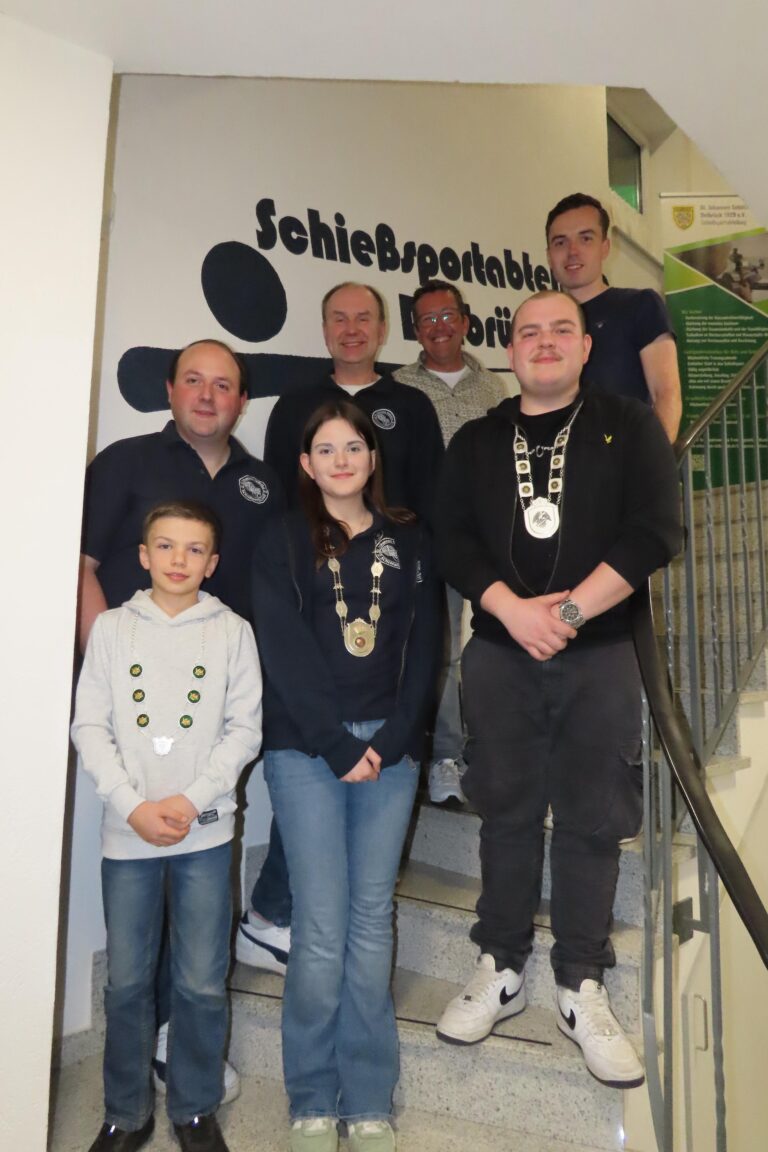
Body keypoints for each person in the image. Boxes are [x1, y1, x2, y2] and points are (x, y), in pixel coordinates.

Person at [433, 291, 681, 1088]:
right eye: (528, 332)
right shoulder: (476, 440)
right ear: (510, 350)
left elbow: (655, 532)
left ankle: (580, 982)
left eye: (560, 331)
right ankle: (500, 966)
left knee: (593, 818)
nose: (544, 343)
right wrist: (512, 610)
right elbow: (450, 540)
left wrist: (568, 613)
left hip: (601, 652)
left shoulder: (629, 426)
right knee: (504, 810)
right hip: (499, 654)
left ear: (584, 348)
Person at [78, 338, 283, 1101]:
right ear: (170, 389)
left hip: (210, 763)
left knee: (200, 963)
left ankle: (188, 1077)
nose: (206, 394)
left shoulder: (264, 484)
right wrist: (109, 654)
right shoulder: (124, 463)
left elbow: (275, 592)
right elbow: (81, 568)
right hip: (132, 754)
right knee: (130, 967)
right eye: (192, 380)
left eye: (223, 384)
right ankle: (129, 1101)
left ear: (241, 400)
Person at [236, 282, 444, 971]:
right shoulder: (294, 407)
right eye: (338, 318)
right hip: (316, 661)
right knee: (325, 890)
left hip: (390, 614)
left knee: (366, 907)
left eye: (364, 317)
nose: (351, 328)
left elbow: (430, 499)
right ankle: (273, 914)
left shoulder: (411, 406)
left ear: (382, 329)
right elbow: (278, 501)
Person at [252, 400, 439, 1152]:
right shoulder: (280, 537)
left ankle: (367, 1098)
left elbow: (427, 644)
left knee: (370, 919)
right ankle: (310, 1098)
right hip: (306, 750)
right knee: (322, 927)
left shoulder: (410, 537)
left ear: (371, 457)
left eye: (353, 446)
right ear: (305, 464)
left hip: (389, 749)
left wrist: (394, 739)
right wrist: (336, 744)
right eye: (325, 449)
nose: (340, 460)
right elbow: (281, 647)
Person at [72, 501, 263, 1152]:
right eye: (165, 545)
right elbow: (89, 726)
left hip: (203, 832)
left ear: (212, 563)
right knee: (127, 981)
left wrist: (192, 798)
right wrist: (132, 805)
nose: (178, 559)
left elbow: (244, 731)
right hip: (127, 835)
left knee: (202, 980)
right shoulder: (112, 630)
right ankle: (126, 1114)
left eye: (194, 549)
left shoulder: (232, 632)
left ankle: (194, 1108)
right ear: (143, 555)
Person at [394, 280, 506, 805]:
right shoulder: (398, 388)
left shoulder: (493, 388)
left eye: (447, 316)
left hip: (488, 540)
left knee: (491, 648)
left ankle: (491, 749)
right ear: (415, 331)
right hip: (424, 540)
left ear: (465, 321)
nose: (438, 327)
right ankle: (443, 756)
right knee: (439, 651)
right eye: (427, 319)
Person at [545, 192, 682, 442]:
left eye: (586, 238)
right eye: (560, 242)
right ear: (549, 256)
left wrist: (654, 461)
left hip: (625, 461)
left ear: (605, 247)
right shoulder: (542, 322)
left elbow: (666, 394)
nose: (572, 251)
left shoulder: (640, 305)